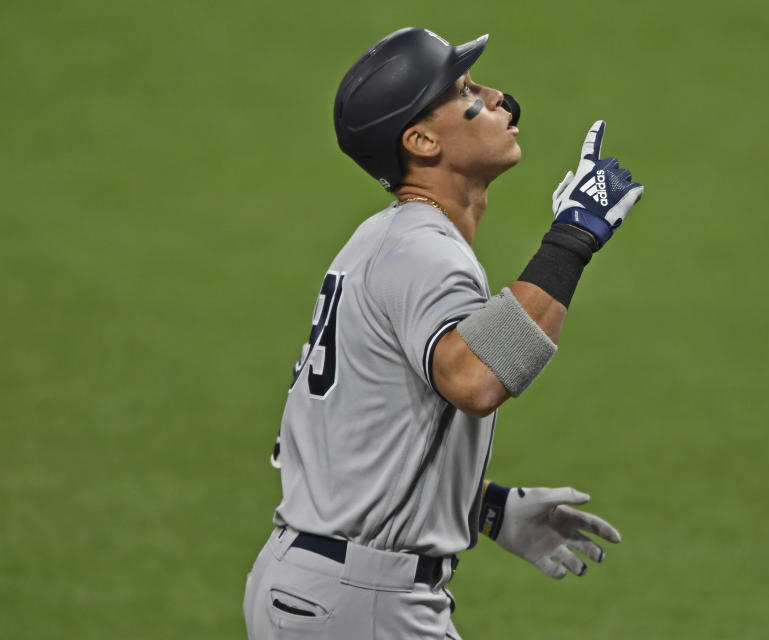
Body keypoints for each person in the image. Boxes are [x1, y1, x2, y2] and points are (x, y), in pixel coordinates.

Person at [243, 27, 644, 639]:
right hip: (361, 602)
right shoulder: (425, 254)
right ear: (422, 140)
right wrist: (575, 236)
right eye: (467, 93)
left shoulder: (382, 241)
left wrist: (486, 506)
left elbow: (358, 438)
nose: (500, 98)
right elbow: (476, 377)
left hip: (318, 586)